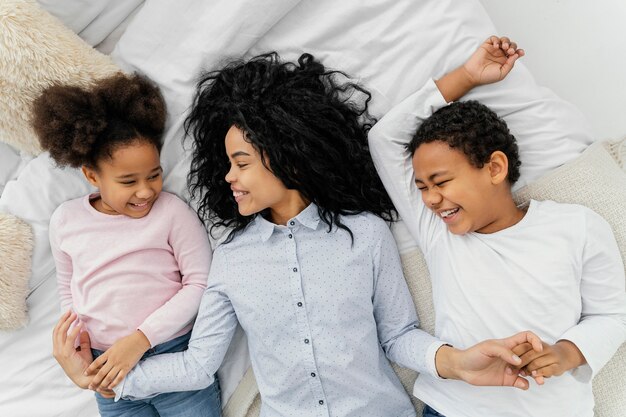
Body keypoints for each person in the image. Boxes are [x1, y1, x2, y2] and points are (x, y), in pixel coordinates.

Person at [54, 53, 542, 417]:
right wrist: (102, 383)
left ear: (286, 154)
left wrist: (455, 363)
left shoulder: (365, 235)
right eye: (226, 164)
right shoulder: (231, 259)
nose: (228, 176)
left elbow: (397, 336)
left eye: (240, 162)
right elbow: (197, 367)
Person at [368, 36, 626, 417]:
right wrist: (466, 76)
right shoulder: (438, 232)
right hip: (454, 409)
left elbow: (613, 315)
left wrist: (567, 353)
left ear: (495, 168)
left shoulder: (576, 227)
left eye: (440, 182)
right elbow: (384, 139)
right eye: (422, 188)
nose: (431, 199)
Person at [34, 73, 221, 417]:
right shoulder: (65, 220)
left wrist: (141, 339)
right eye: (128, 181)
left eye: (154, 174)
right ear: (92, 175)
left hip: (173, 355)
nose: (146, 190)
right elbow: (69, 290)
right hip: (106, 367)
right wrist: (76, 342)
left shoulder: (171, 211)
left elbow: (202, 283)